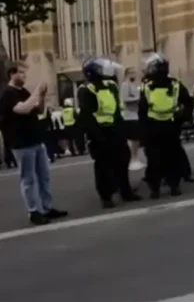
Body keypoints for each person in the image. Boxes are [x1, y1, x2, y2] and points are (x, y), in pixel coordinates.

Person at [0, 63, 69, 225]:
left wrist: (42, 96)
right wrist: (37, 92)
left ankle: (46, 207)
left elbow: (37, 109)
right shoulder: (7, 94)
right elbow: (22, 109)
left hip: (36, 139)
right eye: (22, 73)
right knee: (28, 178)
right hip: (21, 143)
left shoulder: (23, 92)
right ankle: (33, 211)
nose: (25, 77)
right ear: (12, 74)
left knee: (44, 176)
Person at [77, 58, 141, 208]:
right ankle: (106, 196)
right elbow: (87, 116)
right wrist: (96, 135)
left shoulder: (111, 86)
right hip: (99, 132)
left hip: (115, 129)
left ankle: (125, 191)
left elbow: (117, 109)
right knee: (103, 165)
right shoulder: (86, 90)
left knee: (123, 159)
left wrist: (122, 130)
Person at [139, 53, 193, 198]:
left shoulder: (149, 86)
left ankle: (160, 188)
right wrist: (182, 118)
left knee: (159, 159)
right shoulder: (172, 85)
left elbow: (142, 111)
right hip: (165, 127)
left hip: (157, 127)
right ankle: (169, 186)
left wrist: (182, 117)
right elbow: (188, 103)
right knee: (166, 158)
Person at [120, 67, 145, 170]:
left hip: (135, 115)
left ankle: (136, 158)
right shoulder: (125, 85)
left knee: (136, 140)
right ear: (127, 74)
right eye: (131, 73)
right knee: (132, 139)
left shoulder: (133, 85)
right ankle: (133, 160)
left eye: (134, 73)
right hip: (128, 115)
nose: (134, 75)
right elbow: (125, 99)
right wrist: (138, 99)